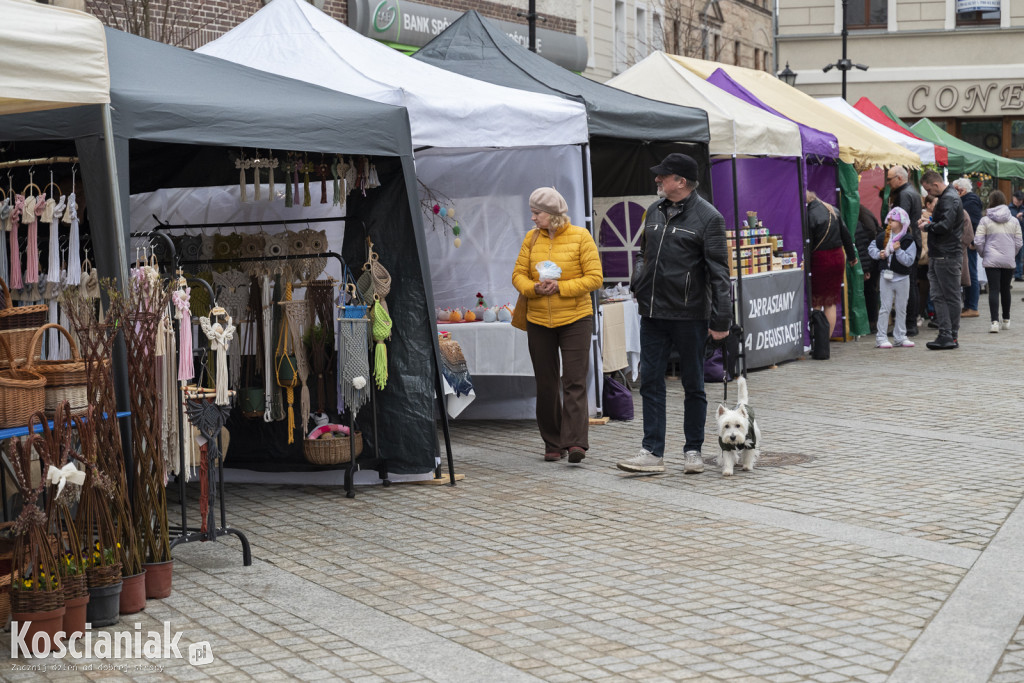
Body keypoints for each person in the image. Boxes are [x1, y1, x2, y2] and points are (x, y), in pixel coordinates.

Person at [616, 153, 731, 475]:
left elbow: (720, 274)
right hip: (652, 313)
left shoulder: (709, 218)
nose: (657, 180)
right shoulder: (653, 211)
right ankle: (652, 453)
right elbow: (643, 253)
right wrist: (639, 279)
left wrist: (721, 321)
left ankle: (693, 451)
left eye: (663, 176)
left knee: (693, 385)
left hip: (690, 314)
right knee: (651, 382)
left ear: (680, 181)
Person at [512, 187, 603, 464]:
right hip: (538, 318)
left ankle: (575, 443)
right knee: (546, 384)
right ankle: (552, 443)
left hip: (576, 318)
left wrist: (560, 287)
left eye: (536, 213)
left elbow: (595, 278)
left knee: (574, 381)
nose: (533, 219)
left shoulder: (580, 237)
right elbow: (517, 275)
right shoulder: (531, 238)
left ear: (551, 215)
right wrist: (535, 288)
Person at [918, 170, 964, 350]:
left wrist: (927, 226)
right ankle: (947, 334)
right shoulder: (949, 197)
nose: (928, 194)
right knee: (939, 295)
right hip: (941, 254)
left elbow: (945, 226)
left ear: (936, 185)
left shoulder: (949, 198)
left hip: (946, 255)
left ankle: (949, 334)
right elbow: (945, 224)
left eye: (928, 190)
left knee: (948, 296)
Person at [806, 191, 858, 337]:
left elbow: (808, 244)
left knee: (816, 301)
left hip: (820, 260)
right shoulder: (832, 209)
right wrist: (852, 257)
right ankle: (825, 341)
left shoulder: (809, 215)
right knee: (830, 302)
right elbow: (846, 235)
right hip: (837, 257)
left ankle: (818, 341)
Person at [975, 189, 1023, 332]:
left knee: (994, 289)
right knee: (1005, 289)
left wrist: (984, 253)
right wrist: (1011, 254)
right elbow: (1019, 242)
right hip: (1008, 259)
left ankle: (994, 322)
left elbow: (978, 241)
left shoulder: (985, 220)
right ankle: (1006, 319)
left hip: (991, 259)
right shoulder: (1014, 220)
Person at [869, 207, 917, 348]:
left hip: (902, 277)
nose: (890, 223)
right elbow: (871, 248)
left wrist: (898, 251)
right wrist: (880, 254)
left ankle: (900, 336)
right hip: (886, 276)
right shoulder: (882, 236)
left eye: (893, 220)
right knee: (885, 307)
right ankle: (881, 337)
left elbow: (909, 260)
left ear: (902, 222)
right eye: (889, 220)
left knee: (902, 307)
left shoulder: (908, 240)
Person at [886, 166, 923, 336]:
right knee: (910, 283)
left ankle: (908, 324)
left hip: (905, 241)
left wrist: (893, 241)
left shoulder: (903, 194)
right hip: (912, 239)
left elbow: (900, 220)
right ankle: (910, 323)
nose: (888, 183)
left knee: (906, 284)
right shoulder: (912, 192)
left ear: (899, 178)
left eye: (890, 179)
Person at [952, 178, 982, 317]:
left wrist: (973, 242)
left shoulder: (970, 202)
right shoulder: (968, 201)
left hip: (969, 244)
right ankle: (969, 305)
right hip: (967, 242)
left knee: (971, 273)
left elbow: (973, 223)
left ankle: (972, 307)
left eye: (955, 189)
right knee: (967, 273)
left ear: (961, 190)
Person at [856, 204, 882, 334]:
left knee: (869, 291)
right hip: (872, 258)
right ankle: (872, 322)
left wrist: (867, 267)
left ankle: (872, 322)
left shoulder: (861, 217)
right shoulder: (865, 213)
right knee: (871, 291)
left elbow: (868, 238)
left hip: (870, 258)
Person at [1010, 190, 1024, 282]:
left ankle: (1019, 274)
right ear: (1013, 198)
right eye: (1016, 199)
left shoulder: (1023, 209)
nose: (1018, 202)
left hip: (1022, 235)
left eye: (1020, 200)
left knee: (1020, 255)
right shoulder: (1008, 209)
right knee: (1013, 256)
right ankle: (1014, 274)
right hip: (1012, 236)